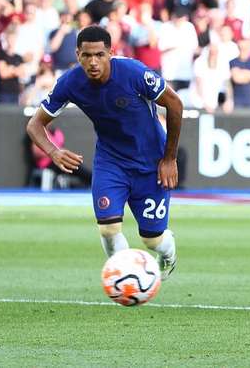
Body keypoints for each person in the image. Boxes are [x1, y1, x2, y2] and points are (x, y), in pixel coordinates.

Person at [26, 25, 183, 279]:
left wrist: (169, 158)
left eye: (99, 54)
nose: (93, 62)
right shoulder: (70, 82)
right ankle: (126, 280)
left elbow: (175, 104)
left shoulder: (134, 73)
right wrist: (53, 152)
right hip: (111, 162)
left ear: (111, 52)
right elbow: (34, 124)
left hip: (151, 162)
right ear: (77, 54)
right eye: (87, 55)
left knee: (152, 239)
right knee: (108, 229)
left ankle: (168, 256)